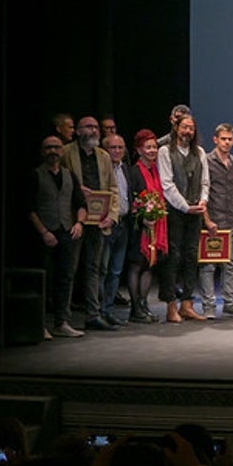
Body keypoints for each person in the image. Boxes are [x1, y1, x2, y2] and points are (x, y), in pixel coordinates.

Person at [62, 115, 121, 332]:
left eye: (96, 127)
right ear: (78, 131)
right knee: (70, 269)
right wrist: (77, 191)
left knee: (94, 268)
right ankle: (63, 318)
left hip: (98, 221)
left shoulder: (103, 156)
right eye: (89, 126)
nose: (94, 130)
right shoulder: (67, 153)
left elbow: (113, 189)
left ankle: (92, 314)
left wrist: (112, 215)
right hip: (73, 219)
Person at [28, 135, 87, 338]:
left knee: (65, 278)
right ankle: (39, 323)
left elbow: (80, 203)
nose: (53, 151)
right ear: (42, 152)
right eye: (48, 148)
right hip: (44, 232)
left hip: (66, 231)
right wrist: (43, 232)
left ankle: (61, 322)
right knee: (43, 279)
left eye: (56, 147)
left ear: (62, 151)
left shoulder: (69, 175)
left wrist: (79, 223)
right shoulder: (36, 175)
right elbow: (30, 208)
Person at [157, 113, 211, 323]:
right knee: (173, 257)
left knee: (191, 257)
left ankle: (187, 304)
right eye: (184, 127)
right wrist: (185, 206)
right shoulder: (165, 151)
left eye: (191, 128)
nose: (188, 131)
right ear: (176, 128)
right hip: (175, 212)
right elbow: (167, 184)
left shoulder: (199, 152)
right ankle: (171, 306)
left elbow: (205, 182)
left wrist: (203, 202)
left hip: (195, 211)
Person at [200, 123, 233, 319]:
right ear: (215, 139)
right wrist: (207, 220)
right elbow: (202, 192)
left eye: (229, 139)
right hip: (213, 220)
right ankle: (209, 306)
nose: (226, 142)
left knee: (231, 265)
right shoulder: (206, 161)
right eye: (223, 139)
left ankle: (230, 303)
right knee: (208, 266)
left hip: (231, 220)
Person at [125, 128, 166, 323]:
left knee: (150, 266)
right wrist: (143, 218)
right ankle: (135, 308)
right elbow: (132, 198)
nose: (152, 150)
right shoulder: (134, 171)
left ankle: (143, 304)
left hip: (156, 226)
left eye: (154, 147)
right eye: (148, 147)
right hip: (139, 226)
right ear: (139, 150)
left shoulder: (157, 170)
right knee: (136, 265)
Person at [100, 133, 131, 328]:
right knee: (101, 269)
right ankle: (98, 311)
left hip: (123, 224)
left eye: (120, 147)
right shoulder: (102, 170)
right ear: (104, 150)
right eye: (113, 148)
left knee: (116, 271)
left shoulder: (125, 169)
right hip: (105, 225)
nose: (117, 151)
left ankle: (109, 310)